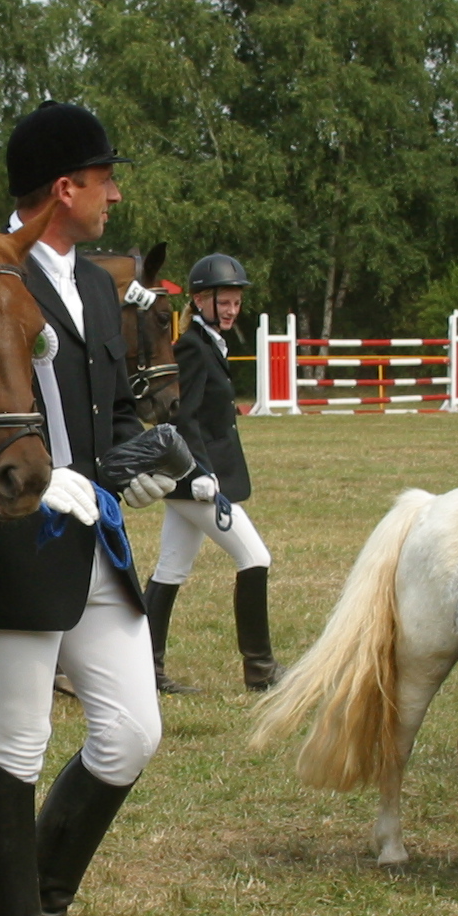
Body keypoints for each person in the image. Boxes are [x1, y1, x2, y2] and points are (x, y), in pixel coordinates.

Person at [0, 103, 182, 916]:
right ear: (65, 189)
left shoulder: (102, 288)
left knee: (130, 734)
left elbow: (110, 414)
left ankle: (41, 915)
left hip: (93, 535)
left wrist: (141, 464)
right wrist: (48, 480)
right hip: (13, 538)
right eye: (105, 177)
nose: (117, 192)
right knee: (18, 743)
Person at [150, 252, 280, 694]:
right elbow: (182, 417)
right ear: (201, 300)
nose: (231, 310)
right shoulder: (191, 345)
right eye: (223, 302)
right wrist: (199, 472)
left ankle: (146, 669)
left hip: (197, 480)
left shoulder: (211, 342)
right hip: (196, 482)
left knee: (170, 569)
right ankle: (261, 670)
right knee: (255, 558)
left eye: (236, 303)